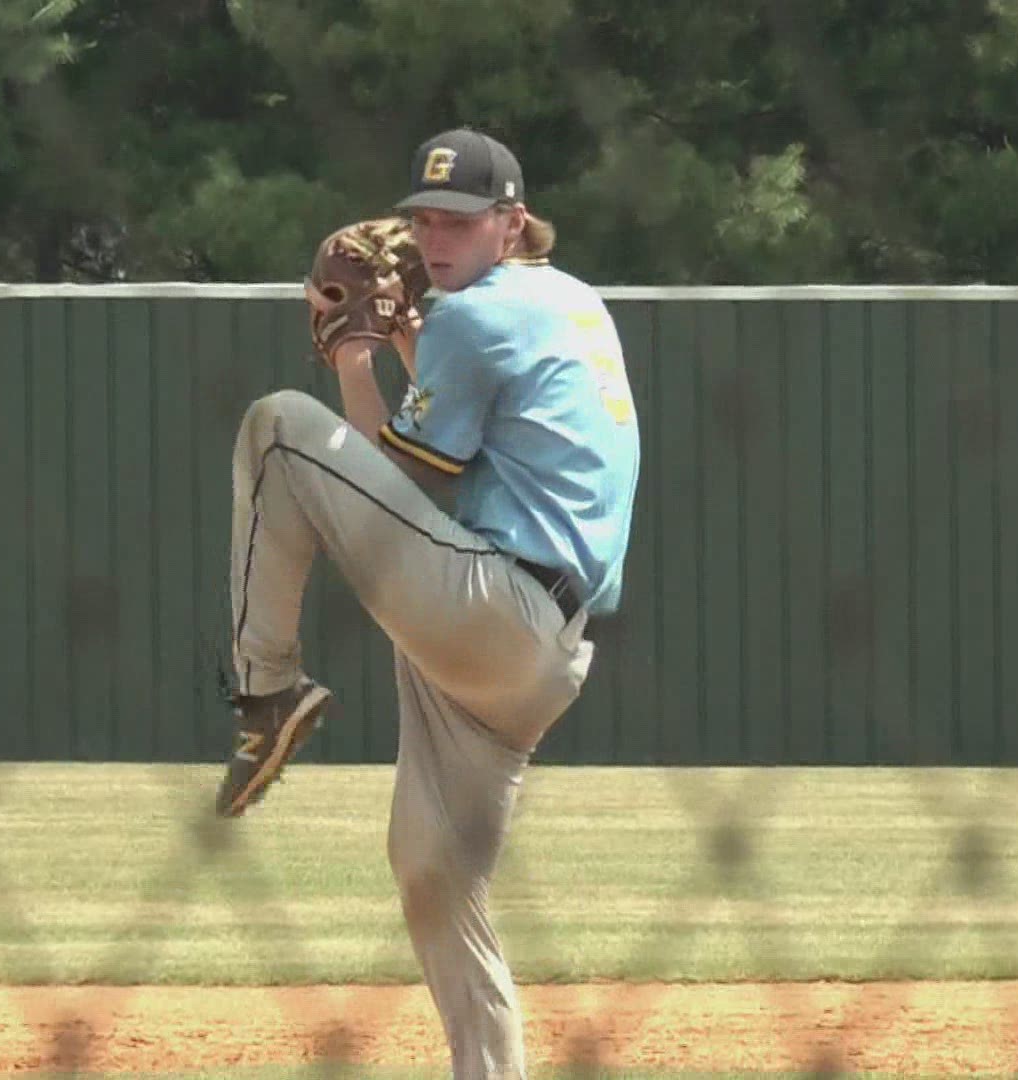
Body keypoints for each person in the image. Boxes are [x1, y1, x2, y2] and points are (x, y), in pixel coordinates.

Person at [214, 127, 642, 1079]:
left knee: (280, 429)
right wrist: (410, 331)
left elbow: (397, 464)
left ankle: (266, 688)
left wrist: (354, 350)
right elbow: (468, 424)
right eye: (424, 218)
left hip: (494, 605)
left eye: (458, 219)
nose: (433, 237)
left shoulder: (476, 316)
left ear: (512, 220)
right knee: (433, 877)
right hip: (542, 658)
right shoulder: (571, 300)